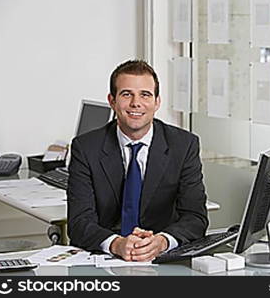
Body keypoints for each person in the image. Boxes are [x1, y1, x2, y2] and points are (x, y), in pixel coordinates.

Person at [67, 60, 209, 262]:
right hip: (104, 257)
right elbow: (79, 222)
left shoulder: (183, 145)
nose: (136, 103)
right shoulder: (86, 148)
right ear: (112, 101)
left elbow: (195, 218)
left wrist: (162, 241)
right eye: (126, 94)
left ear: (157, 102)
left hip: (161, 258)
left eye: (145, 95)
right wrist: (116, 244)